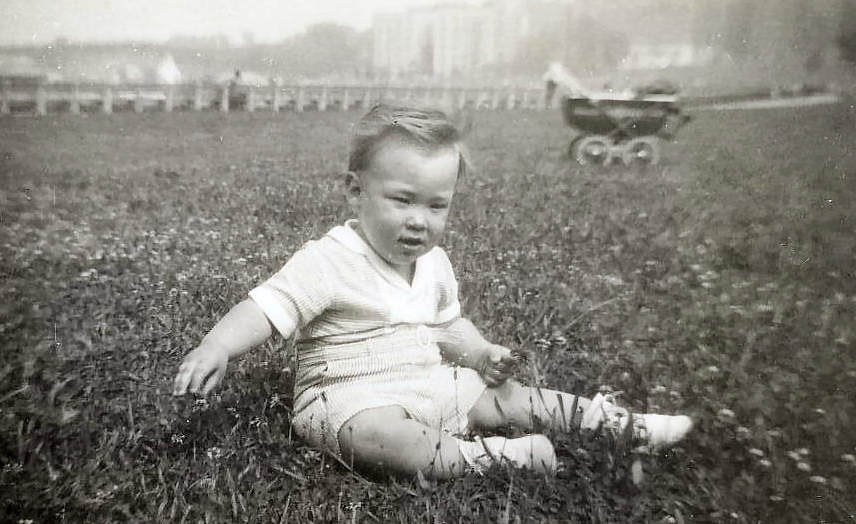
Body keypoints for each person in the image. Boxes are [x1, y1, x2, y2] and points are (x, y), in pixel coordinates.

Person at [172, 104, 693, 479]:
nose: (419, 221)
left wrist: (481, 352)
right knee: (381, 439)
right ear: (355, 191)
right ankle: (498, 459)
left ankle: (620, 423)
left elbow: (447, 327)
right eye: (402, 200)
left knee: (510, 398)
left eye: (437, 206)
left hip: (429, 381)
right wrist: (217, 346)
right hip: (350, 397)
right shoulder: (327, 260)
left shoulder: (434, 263)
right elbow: (265, 308)